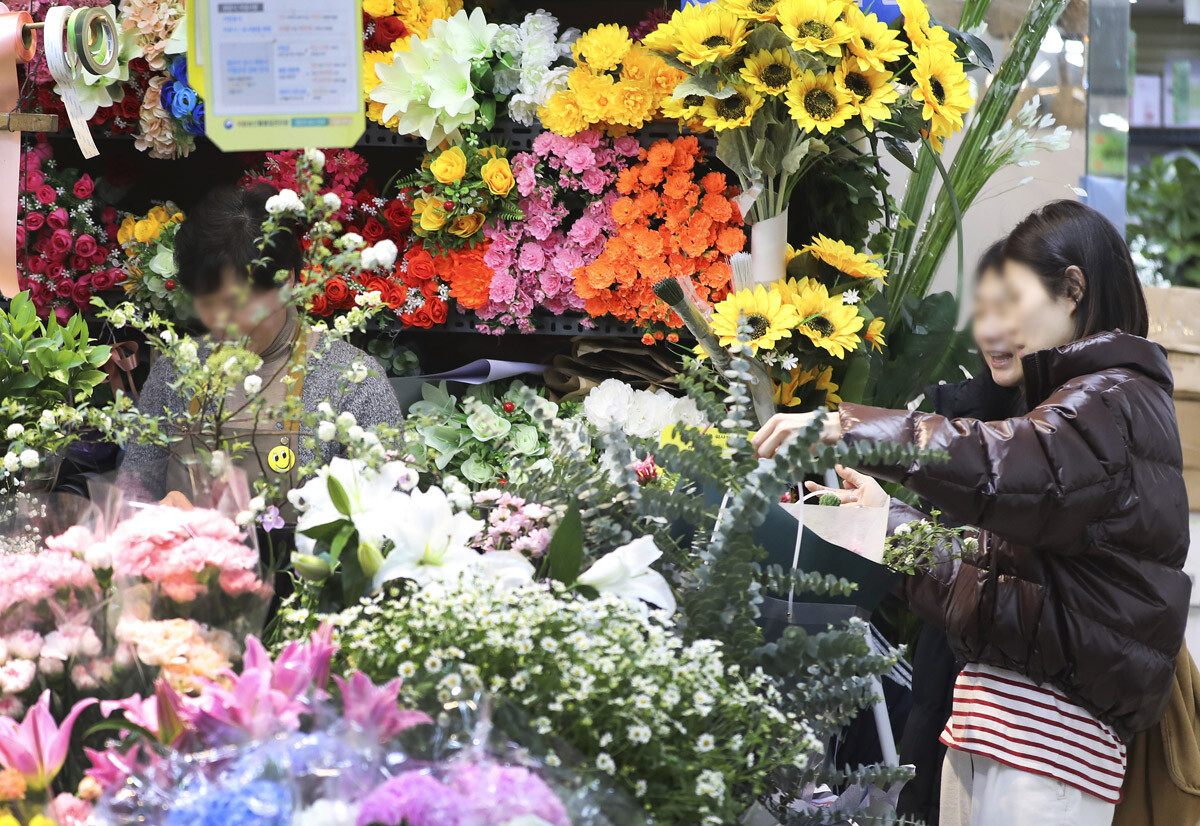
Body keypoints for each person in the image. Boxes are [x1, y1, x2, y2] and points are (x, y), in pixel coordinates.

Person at [753, 200, 1191, 826]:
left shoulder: (1110, 399)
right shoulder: (1086, 402)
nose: (996, 328)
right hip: (1010, 740)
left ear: (1072, 290)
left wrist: (851, 426)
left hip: (1047, 755)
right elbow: (996, 585)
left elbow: (1000, 466)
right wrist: (886, 526)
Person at [119, 185, 403, 509]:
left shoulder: (351, 381)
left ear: (286, 282)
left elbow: (393, 517)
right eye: (207, 304)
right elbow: (131, 498)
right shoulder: (176, 371)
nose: (220, 323)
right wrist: (155, 517)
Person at [897, 239, 1024, 825]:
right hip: (948, 675)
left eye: (1012, 310)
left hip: (1033, 714)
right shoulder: (951, 412)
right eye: (984, 310)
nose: (994, 331)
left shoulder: (1077, 426)